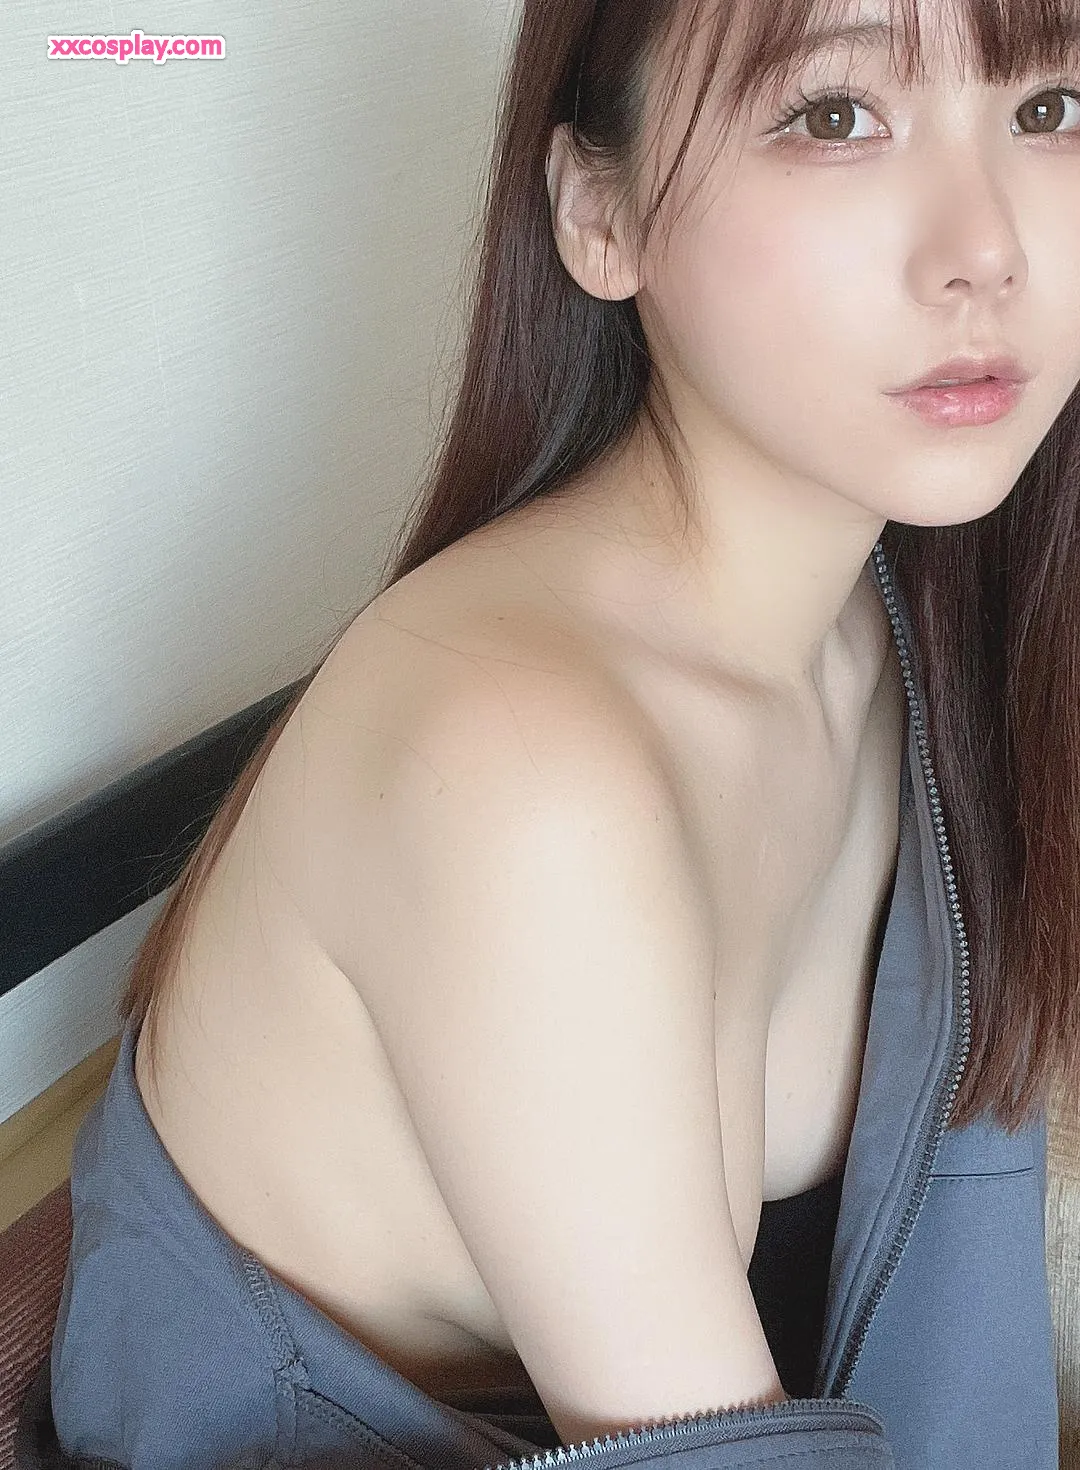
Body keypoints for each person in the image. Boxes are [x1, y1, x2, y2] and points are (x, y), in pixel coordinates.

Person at [19, 0, 1080, 1467]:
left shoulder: (886, 615)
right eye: (834, 115)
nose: (988, 250)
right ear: (600, 214)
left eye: (1048, 109)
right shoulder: (520, 771)